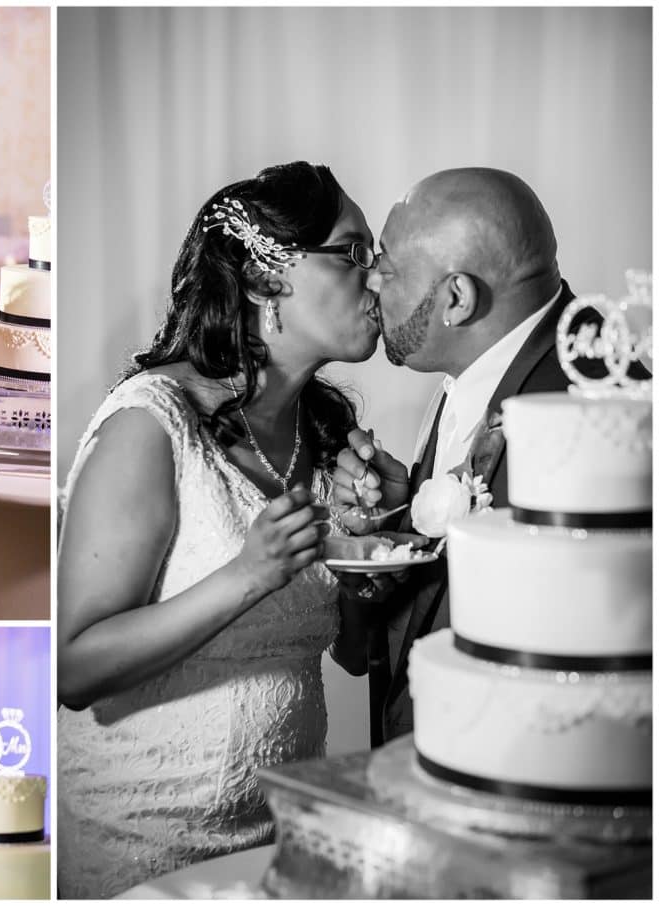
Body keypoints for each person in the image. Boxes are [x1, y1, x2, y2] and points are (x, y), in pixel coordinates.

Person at [56, 161, 382, 898]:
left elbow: (355, 658)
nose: (379, 277)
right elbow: (74, 669)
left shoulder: (326, 435)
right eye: (353, 253)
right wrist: (248, 574)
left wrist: (369, 551)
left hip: (278, 842)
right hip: (141, 845)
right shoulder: (151, 423)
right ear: (268, 279)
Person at [332, 167, 576, 746]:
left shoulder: (583, 413)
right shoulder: (464, 381)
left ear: (457, 299)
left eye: (385, 268)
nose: (368, 284)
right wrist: (400, 528)